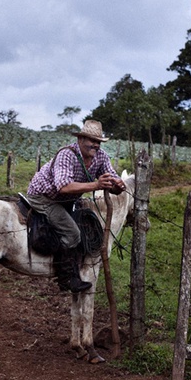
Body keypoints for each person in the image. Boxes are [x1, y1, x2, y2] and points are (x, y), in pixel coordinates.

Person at [26, 119, 126, 293]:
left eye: (98, 142)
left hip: (67, 200)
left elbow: (112, 179)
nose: (95, 145)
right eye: (91, 141)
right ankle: (66, 278)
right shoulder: (67, 154)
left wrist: (118, 185)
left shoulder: (101, 157)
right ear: (80, 139)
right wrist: (97, 185)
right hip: (44, 197)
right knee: (72, 233)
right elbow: (63, 187)